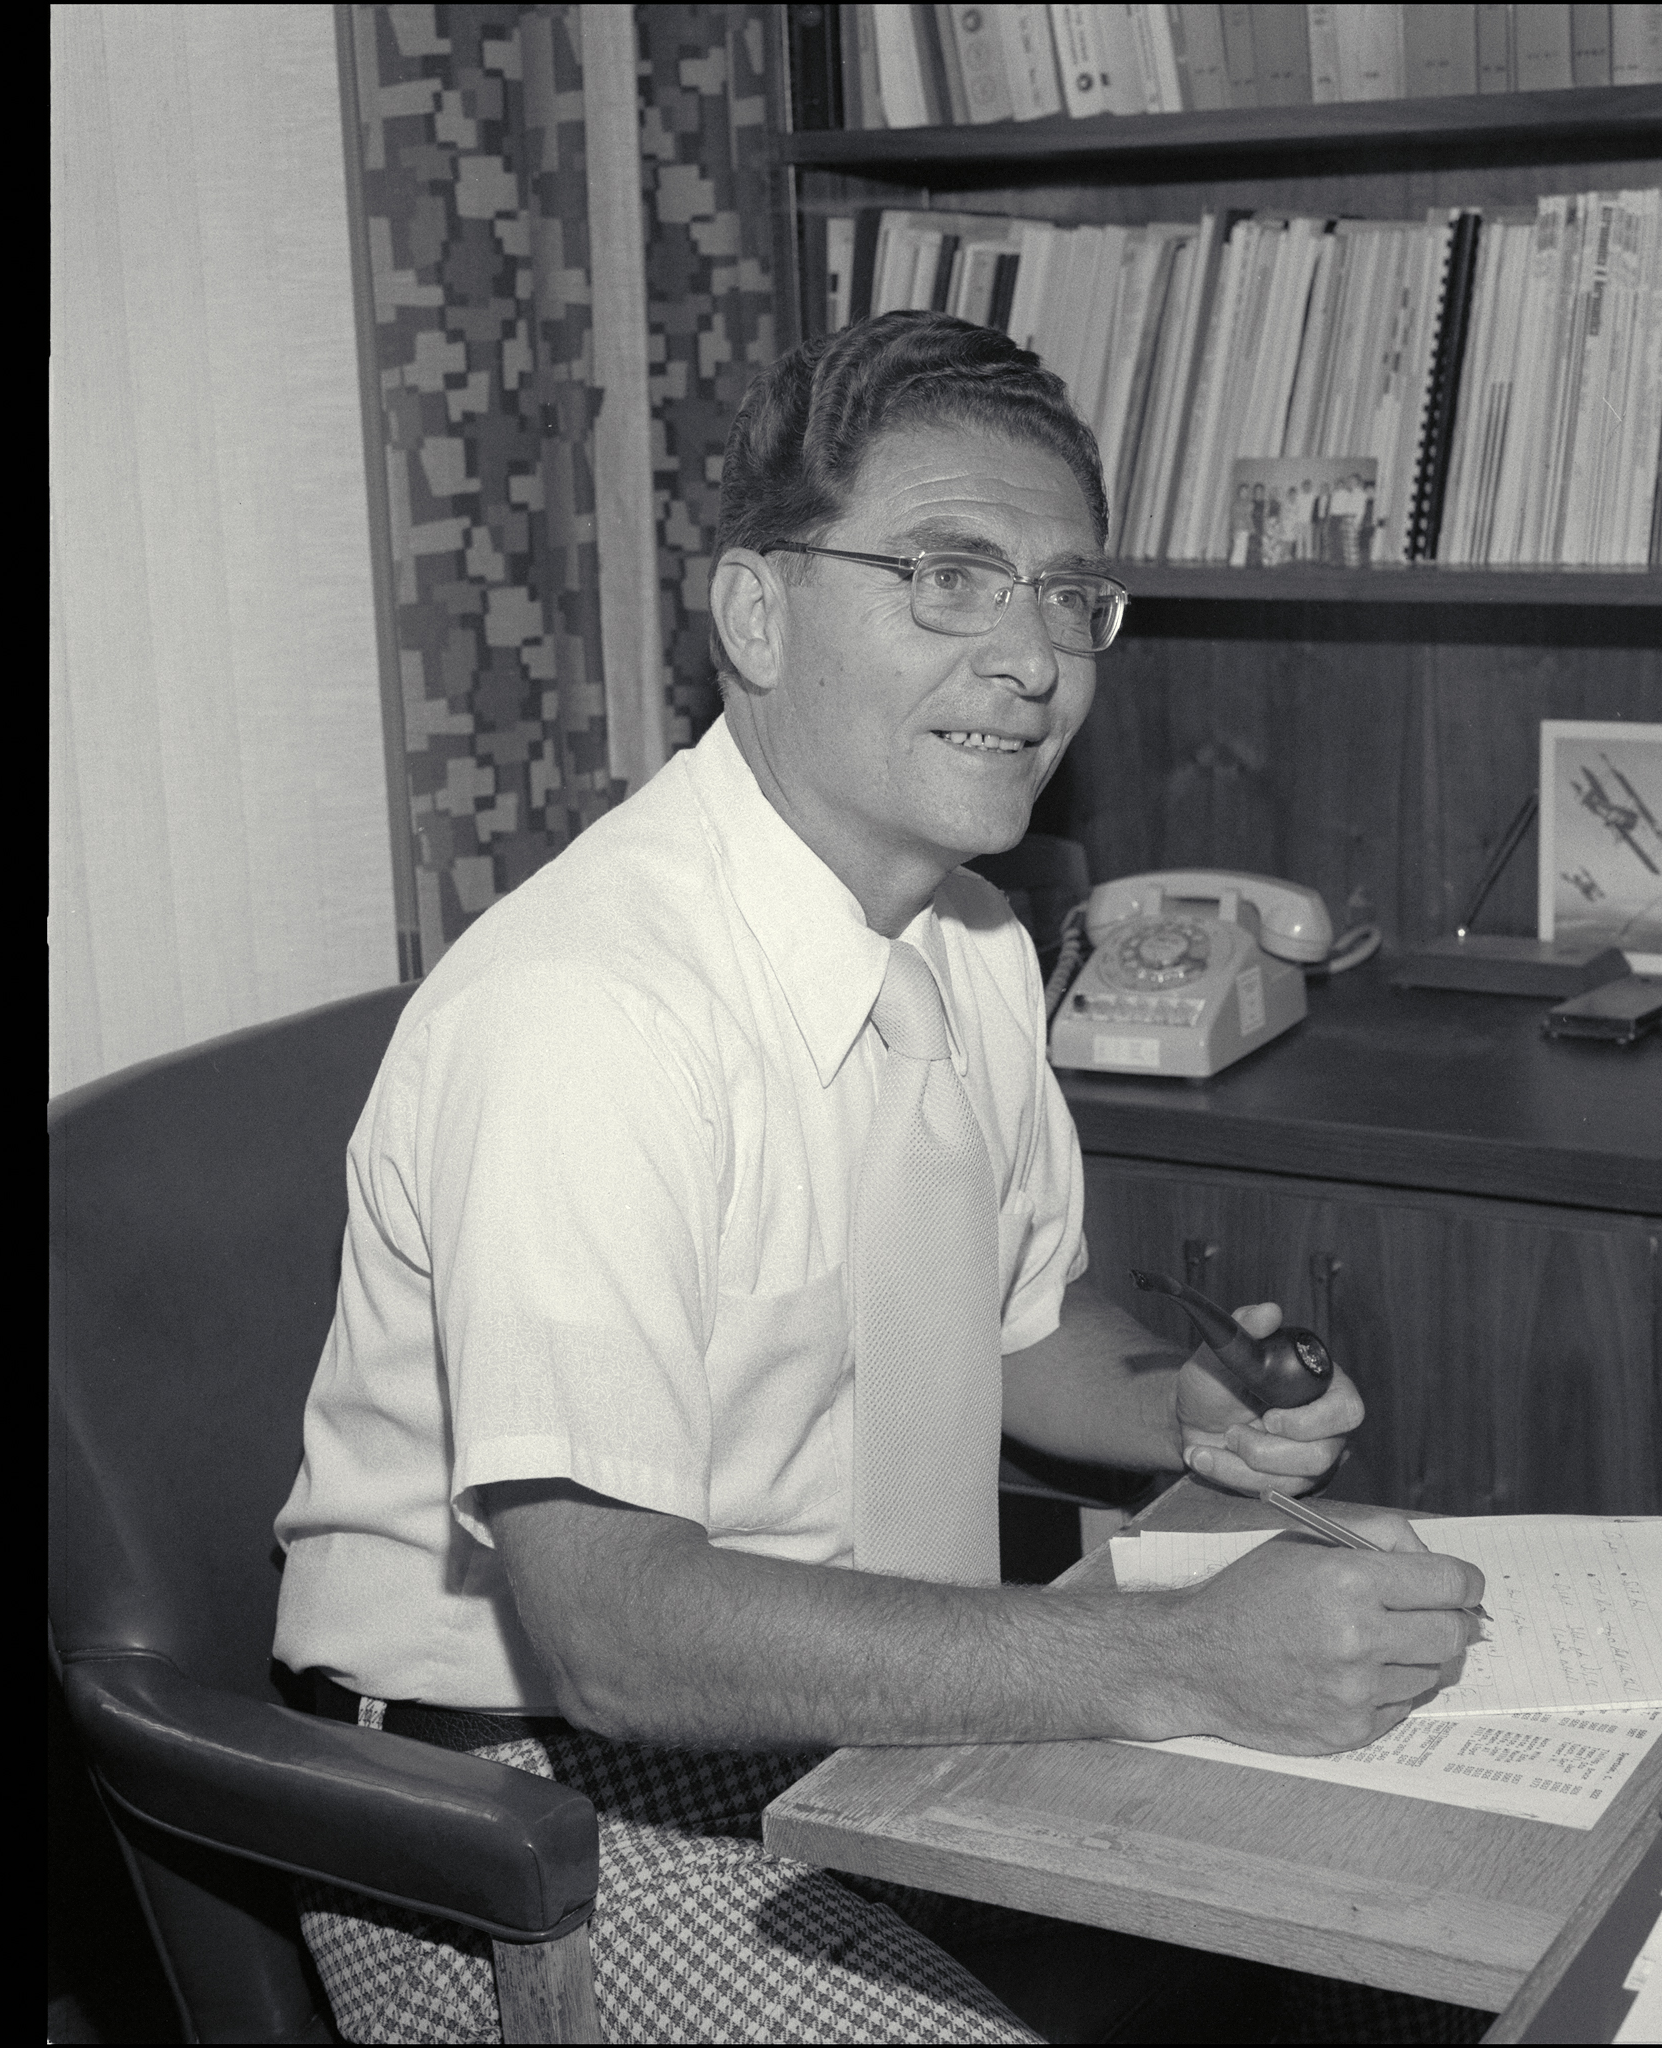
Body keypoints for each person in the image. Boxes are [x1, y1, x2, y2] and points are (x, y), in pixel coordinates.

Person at [273, 310, 1485, 2043]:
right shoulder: (585, 1015)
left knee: (1411, 1946)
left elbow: (1013, 1327)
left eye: (1070, 595)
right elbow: (611, 1629)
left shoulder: (969, 940)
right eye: (949, 577)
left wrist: (1180, 1409)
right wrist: (1176, 1660)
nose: (1032, 659)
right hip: (521, 1804)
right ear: (757, 612)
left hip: (861, 1699)